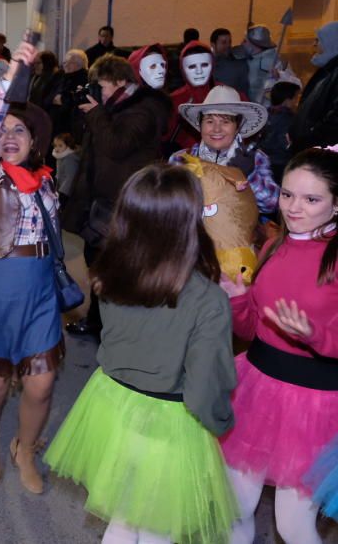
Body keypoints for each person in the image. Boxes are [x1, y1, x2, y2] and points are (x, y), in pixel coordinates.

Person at [46, 163, 238, 544]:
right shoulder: (208, 300)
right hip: (169, 424)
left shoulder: (108, 275)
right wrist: (221, 423)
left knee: (123, 516)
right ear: (190, 222)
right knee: (155, 528)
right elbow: (204, 389)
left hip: (110, 407)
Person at [219, 147, 338, 544]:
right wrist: (237, 298)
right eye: (287, 195)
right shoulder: (272, 247)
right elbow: (254, 329)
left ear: (336, 205)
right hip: (258, 388)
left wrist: (315, 337)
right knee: (232, 508)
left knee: (294, 525)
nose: (293, 207)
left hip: (314, 405)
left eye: (311, 199)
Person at [0, 46, 62, 494]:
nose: (8, 136)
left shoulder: (45, 181)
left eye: (18, 130)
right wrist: (12, 76)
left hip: (41, 291)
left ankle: (24, 447)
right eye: (3, 130)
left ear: (33, 140)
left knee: (40, 385)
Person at [62, 54, 171, 338]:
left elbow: (116, 145)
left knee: (112, 266)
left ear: (122, 81)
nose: (101, 92)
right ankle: (100, 320)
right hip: (102, 200)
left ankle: (111, 325)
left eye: (104, 86)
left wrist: (97, 113)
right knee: (98, 262)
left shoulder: (145, 109)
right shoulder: (114, 106)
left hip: (123, 202)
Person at [171, 86, 278, 215]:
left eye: (225, 122)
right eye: (210, 121)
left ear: (238, 127)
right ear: (200, 125)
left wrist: (250, 175)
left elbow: (273, 204)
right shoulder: (180, 159)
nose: (217, 129)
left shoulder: (256, 159)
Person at [290, 20, 338, 152]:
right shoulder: (327, 70)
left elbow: (334, 121)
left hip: (320, 153)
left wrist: (308, 140)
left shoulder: (334, 72)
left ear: (331, 42)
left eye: (318, 40)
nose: (314, 45)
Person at [165, 40, 216, 152]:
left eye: (204, 65)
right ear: (182, 69)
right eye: (192, 66)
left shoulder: (227, 94)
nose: (199, 71)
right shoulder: (173, 100)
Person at [260, 81, 300, 183]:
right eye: (296, 98)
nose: (297, 101)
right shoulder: (287, 118)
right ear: (287, 100)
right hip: (280, 162)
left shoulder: (265, 113)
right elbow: (285, 143)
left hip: (263, 158)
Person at [51, 49, 89, 139]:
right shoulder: (61, 77)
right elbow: (48, 97)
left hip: (71, 126)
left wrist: (63, 99)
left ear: (80, 64)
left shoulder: (85, 79)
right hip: (57, 124)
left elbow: (75, 101)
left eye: (70, 62)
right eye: (64, 63)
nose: (65, 65)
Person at [210, 27, 250, 96]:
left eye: (230, 42)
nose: (228, 45)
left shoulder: (238, 63)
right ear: (213, 45)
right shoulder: (207, 64)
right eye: (224, 42)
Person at [52, 133, 79, 206]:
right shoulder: (61, 156)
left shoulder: (69, 159)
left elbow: (70, 178)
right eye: (55, 145)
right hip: (60, 189)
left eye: (60, 146)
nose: (57, 148)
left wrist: (62, 193)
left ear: (68, 146)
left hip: (65, 193)